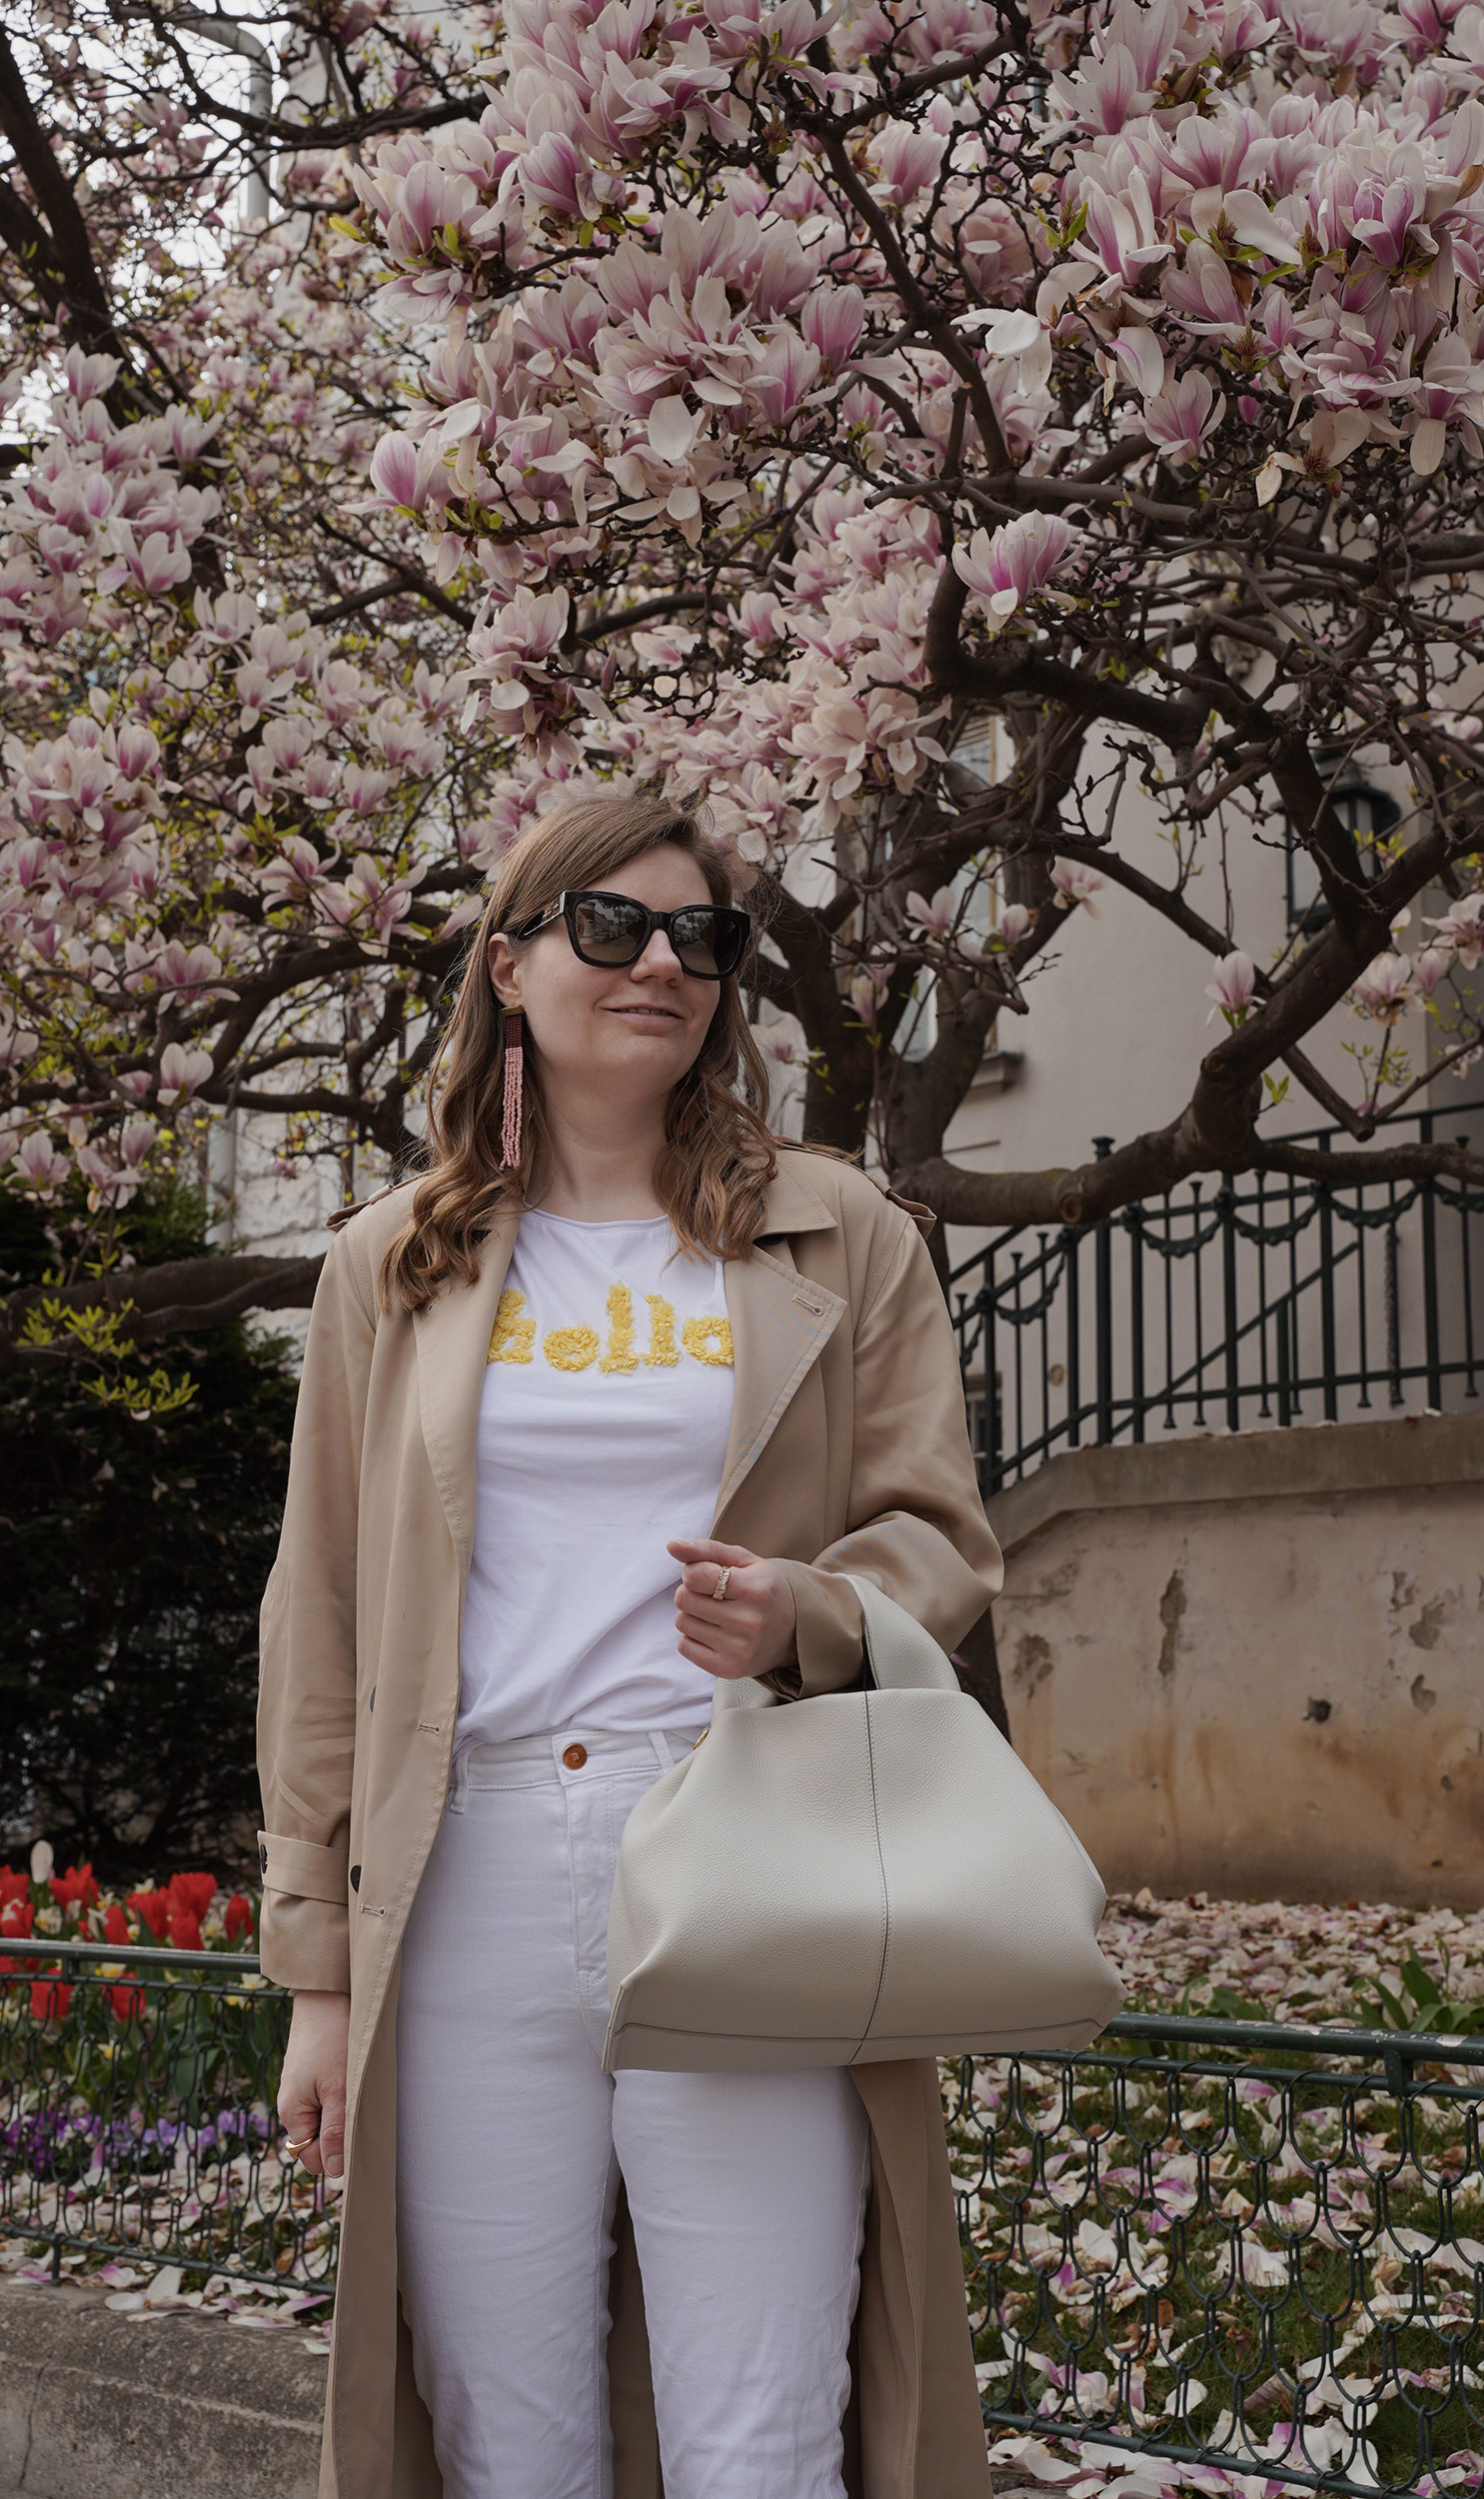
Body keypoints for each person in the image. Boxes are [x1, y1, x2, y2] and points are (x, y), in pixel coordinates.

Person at [258, 791, 1003, 2499]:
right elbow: (320, 1617)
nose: (663, 962)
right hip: (471, 1868)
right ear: (510, 966)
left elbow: (942, 1535)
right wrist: (316, 1970)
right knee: (508, 2437)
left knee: (762, 2431)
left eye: (703, 937)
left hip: (737, 1840)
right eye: (613, 926)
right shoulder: (394, 1265)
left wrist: (802, 1611)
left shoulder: (835, 1226)